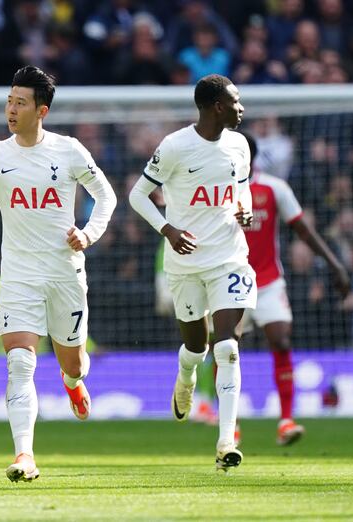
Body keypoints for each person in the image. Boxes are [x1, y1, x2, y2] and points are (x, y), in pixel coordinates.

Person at [0, 65, 116, 482]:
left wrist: (88, 234)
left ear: (42, 110)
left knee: (73, 361)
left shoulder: (69, 150)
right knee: (19, 362)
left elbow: (106, 195)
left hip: (65, 273)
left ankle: (73, 382)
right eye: (9, 101)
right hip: (17, 276)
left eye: (20, 103)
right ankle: (25, 455)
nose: (11, 110)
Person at [128, 74, 254, 471]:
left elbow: (242, 186)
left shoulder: (240, 145)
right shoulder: (176, 146)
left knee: (228, 347)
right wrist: (169, 229)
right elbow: (137, 195)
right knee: (196, 348)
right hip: (185, 262)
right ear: (217, 106)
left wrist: (243, 210)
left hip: (229, 256)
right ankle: (185, 378)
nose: (241, 107)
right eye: (235, 101)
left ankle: (225, 441)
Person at [238, 131, 351, 444]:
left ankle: (286, 420)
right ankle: (229, 424)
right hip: (230, 283)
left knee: (282, 340)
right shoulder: (217, 193)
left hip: (269, 281)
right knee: (227, 350)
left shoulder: (274, 188)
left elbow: (304, 230)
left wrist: (335, 265)